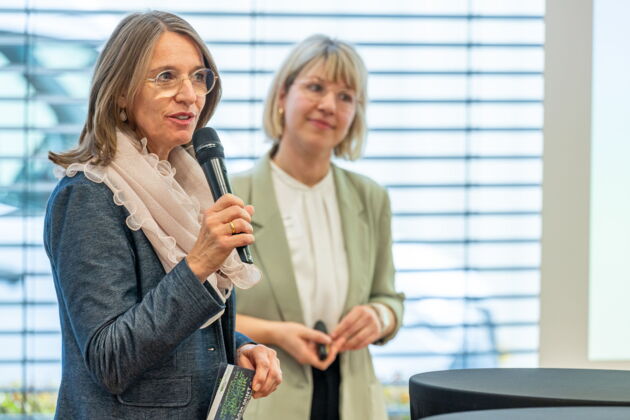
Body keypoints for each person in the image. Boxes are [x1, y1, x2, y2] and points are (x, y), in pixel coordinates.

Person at [43, 11, 281, 419]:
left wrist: (239, 346)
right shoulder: (88, 195)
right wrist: (199, 263)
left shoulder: (186, 185)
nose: (189, 95)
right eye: (166, 77)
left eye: (198, 77)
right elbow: (110, 358)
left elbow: (176, 329)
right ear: (121, 92)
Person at [232, 34, 405, 420]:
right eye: (315, 87)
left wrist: (379, 317)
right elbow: (199, 317)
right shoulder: (230, 195)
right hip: (264, 401)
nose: (329, 105)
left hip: (354, 402)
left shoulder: (371, 197)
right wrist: (275, 334)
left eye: (345, 97)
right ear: (282, 95)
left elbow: (390, 298)